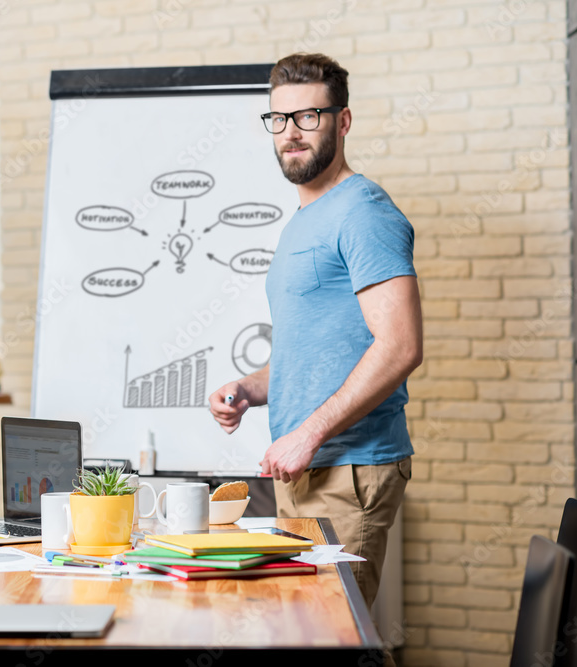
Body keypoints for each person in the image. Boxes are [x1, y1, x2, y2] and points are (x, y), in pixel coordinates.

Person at [209, 53, 422, 608]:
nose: (291, 133)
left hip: (348, 466)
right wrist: (251, 390)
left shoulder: (364, 212)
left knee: (330, 635)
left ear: (342, 121)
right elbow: (318, 351)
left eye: (308, 117)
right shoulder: (307, 220)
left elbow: (400, 346)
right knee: (307, 631)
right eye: (278, 119)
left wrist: (309, 432)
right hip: (306, 468)